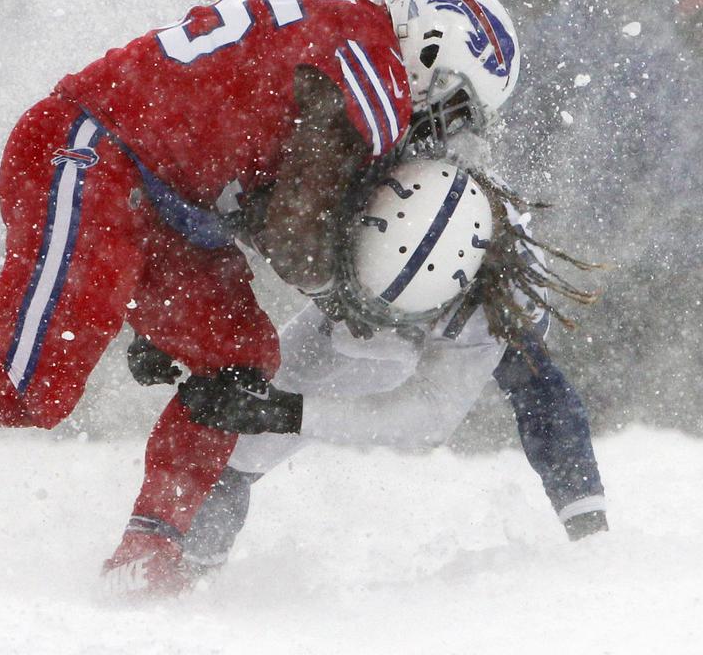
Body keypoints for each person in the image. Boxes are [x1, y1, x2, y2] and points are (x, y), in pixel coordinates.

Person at [0, 0, 520, 590]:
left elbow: (237, 139)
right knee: (34, 387)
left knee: (241, 354)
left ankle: (150, 550)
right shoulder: (372, 72)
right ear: (436, 52)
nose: (436, 131)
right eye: (452, 107)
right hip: (94, 158)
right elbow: (297, 226)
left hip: (155, 191)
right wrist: (364, 297)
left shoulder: (346, 22)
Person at [103, 0, 524, 594]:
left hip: (389, 351)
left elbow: (435, 412)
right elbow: (265, 203)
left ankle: (171, 573)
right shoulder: (370, 104)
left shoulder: (469, 235)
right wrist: (171, 312)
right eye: (456, 105)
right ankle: (166, 565)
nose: (447, 125)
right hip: (332, 319)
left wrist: (290, 411)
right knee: (234, 430)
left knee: (242, 432)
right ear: (434, 52)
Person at [126, 149, 608, 589]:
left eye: (387, 311)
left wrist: (290, 412)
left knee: (252, 427)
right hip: (347, 286)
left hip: (422, 339)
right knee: (236, 440)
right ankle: (181, 578)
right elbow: (211, 210)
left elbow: (434, 416)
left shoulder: (492, 313)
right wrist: (159, 315)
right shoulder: (346, 170)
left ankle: (186, 583)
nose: (364, 326)